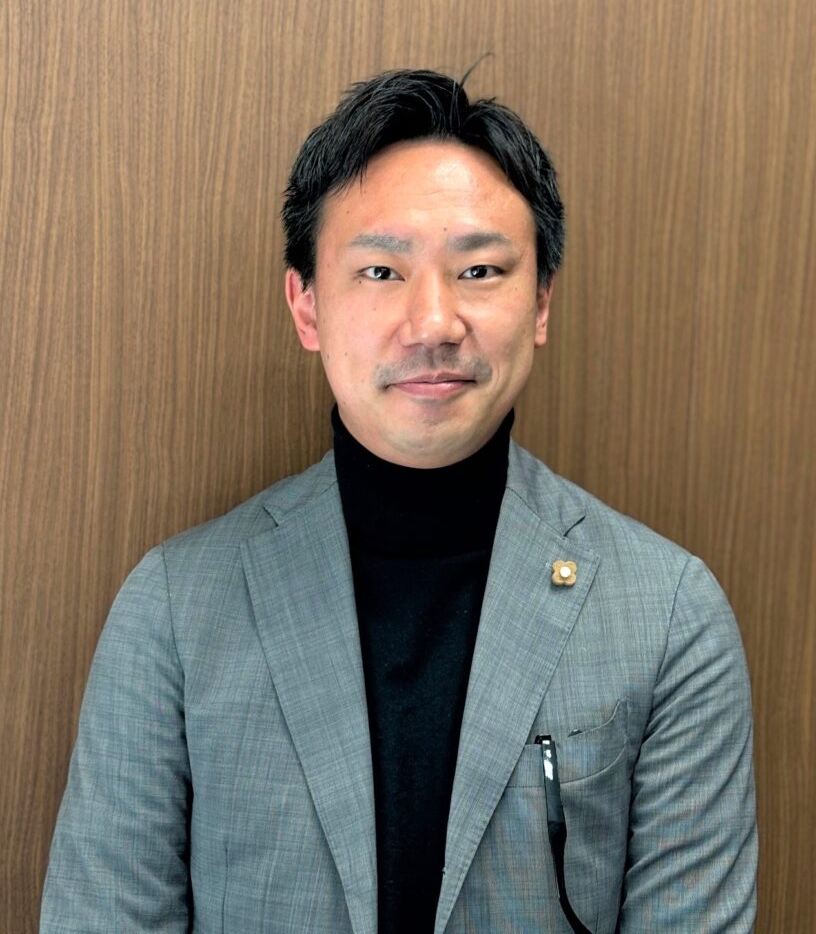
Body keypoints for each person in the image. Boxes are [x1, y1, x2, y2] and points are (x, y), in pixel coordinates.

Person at [41, 69, 757, 933]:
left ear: (541, 302)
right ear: (306, 305)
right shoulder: (174, 610)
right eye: (380, 270)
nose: (434, 323)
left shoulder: (671, 617)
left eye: (480, 269)